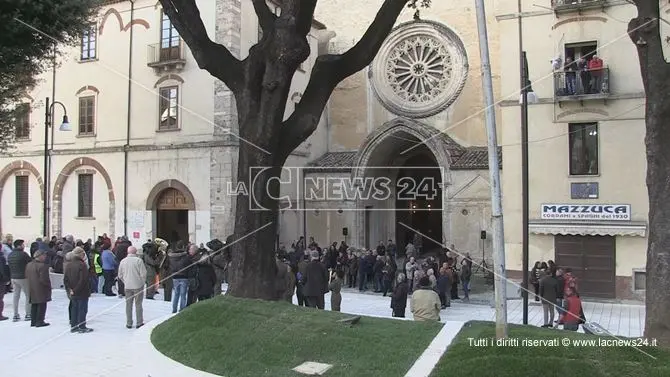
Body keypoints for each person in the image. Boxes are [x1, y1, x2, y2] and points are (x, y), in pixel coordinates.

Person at [63, 247, 93, 333]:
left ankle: (74, 326)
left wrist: (69, 289)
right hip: (82, 291)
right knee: (82, 309)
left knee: (74, 309)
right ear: (79, 254)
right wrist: (76, 290)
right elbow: (83, 280)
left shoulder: (68, 264)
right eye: (83, 254)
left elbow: (66, 279)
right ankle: (82, 326)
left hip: (72, 291)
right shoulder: (82, 265)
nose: (84, 256)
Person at [117, 246, 147, 329]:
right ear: (135, 252)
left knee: (128, 305)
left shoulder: (123, 261)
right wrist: (142, 282)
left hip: (127, 286)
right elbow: (143, 274)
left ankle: (129, 323)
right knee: (138, 304)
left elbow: (120, 275)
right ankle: (139, 322)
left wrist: (125, 281)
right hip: (138, 285)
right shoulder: (138, 261)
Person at [25, 249, 52, 327]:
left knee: (34, 304)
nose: (45, 257)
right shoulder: (42, 266)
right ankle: (40, 321)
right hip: (40, 287)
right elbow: (44, 279)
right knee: (42, 304)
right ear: (39, 256)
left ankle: (33, 321)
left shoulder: (29, 264)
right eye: (44, 255)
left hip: (32, 286)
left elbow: (26, 275)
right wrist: (48, 285)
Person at [8, 239, 31, 321]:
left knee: (15, 296)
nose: (24, 246)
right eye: (23, 245)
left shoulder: (10, 254)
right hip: (23, 277)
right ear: (19, 246)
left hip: (13, 277)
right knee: (28, 296)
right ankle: (28, 314)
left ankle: (15, 314)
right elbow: (30, 262)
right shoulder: (23, 254)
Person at [168, 243, 190, 313]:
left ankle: (174, 309)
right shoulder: (185, 256)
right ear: (183, 247)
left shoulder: (171, 256)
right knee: (183, 294)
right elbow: (188, 264)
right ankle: (182, 309)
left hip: (175, 276)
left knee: (176, 294)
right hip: (184, 276)